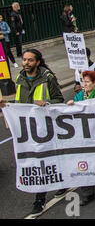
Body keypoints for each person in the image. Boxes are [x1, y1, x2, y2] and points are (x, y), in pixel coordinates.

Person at [5, 49, 65, 217]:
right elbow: (19, 102)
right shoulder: (19, 78)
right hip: (28, 128)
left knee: (46, 159)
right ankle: (51, 190)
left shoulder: (48, 78)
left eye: (30, 60)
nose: (26, 63)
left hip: (46, 127)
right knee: (36, 161)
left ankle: (40, 199)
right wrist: (7, 108)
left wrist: (46, 103)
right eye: (24, 60)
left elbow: (59, 100)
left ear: (38, 62)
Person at [66, 70, 95, 206]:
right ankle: (87, 192)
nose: (84, 85)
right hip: (84, 135)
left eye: (87, 82)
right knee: (84, 163)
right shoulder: (79, 96)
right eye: (83, 82)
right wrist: (70, 105)